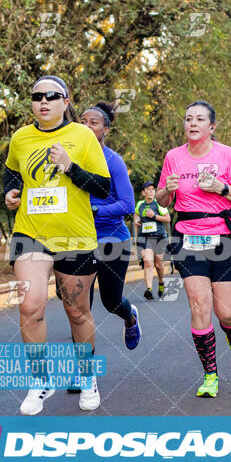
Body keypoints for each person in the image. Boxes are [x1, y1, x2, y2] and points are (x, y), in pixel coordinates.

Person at [4, 75, 111, 414]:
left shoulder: (82, 135)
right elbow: (12, 174)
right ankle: (39, 381)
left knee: (77, 312)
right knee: (29, 305)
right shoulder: (20, 138)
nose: (44, 101)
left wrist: (69, 166)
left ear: (66, 102)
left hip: (74, 236)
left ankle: (87, 376)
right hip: (30, 233)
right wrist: (10, 193)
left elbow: (103, 187)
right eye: (37, 96)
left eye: (52, 95)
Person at [156, 100, 231, 398]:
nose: (192, 123)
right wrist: (167, 189)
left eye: (199, 119)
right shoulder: (173, 157)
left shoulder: (226, 155)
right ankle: (210, 374)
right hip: (188, 238)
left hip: (224, 238)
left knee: (226, 312)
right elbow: (163, 201)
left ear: (212, 127)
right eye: (188, 119)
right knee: (200, 306)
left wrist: (220, 188)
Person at [78, 101, 141, 349]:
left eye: (93, 123)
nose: (86, 126)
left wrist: (95, 210)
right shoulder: (69, 159)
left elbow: (127, 204)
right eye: (82, 122)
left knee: (111, 301)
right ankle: (83, 372)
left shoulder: (113, 161)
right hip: (79, 239)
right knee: (79, 306)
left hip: (112, 238)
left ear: (106, 130)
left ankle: (130, 316)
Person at [134, 181, 171, 300]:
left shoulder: (158, 204)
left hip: (159, 237)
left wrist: (154, 216)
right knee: (148, 262)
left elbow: (168, 219)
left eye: (153, 189)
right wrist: (136, 220)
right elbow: (136, 215)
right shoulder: (140, 204)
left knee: (158, 263)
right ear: (143, 192)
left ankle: (161, 282)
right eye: (148, 189)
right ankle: (149, 289)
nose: (151, 191)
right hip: (145, 237)